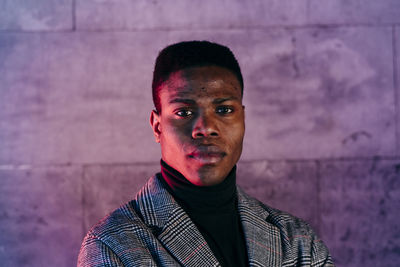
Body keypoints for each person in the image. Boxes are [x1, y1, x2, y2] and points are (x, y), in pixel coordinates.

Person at [78, 41, 335, 267]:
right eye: (184, 112)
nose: (206, 128)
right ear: (158, 127)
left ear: (243, 119)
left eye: (224, 110)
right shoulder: (112, 245)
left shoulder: (298, 241)